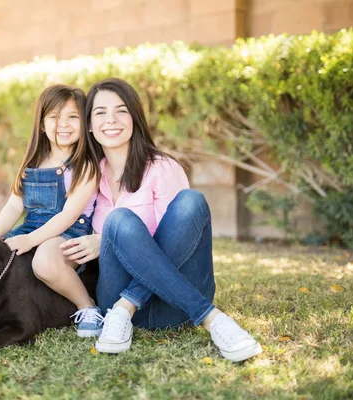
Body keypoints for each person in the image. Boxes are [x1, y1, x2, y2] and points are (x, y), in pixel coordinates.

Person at [59, 78, 262, 362]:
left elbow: (178, 241)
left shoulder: (163, 168)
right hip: (113, 299)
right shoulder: (90, 175)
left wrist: (105, 240)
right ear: (90, 125)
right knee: (119, 221)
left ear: (134, 118)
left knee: (191, 201)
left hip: (171, 305)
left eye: (121, 110)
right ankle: (211, 317)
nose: (111, 120)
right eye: (100, 112)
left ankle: (190, 315)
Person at [0, 84, 103, 337]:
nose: (64, 124)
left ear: (85, 123)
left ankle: (87, 306)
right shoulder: (33, 163)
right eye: (54, 117)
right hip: (30, 228)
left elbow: (68, 215)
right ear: (41, 124)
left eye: (73, 116)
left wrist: (31, 240)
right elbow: (15, 204)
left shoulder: (86, 166)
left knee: (45, 262)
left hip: (68, 232)